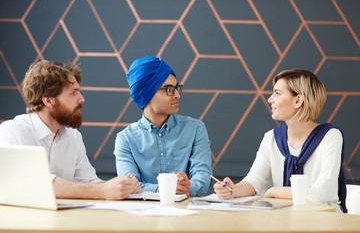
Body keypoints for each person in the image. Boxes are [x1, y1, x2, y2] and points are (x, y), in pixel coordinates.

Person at [0, 60, 142, 200]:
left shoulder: (73, 136)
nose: (82, 99)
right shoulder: (13, 131)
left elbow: (90, 182)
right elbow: (36, 183)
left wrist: (122, 187)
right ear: (48, 100)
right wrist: (103, 190)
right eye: (73, 93)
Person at [214, 69, 347, 212]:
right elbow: (255, 180)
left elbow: (324, 193)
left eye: (277, 93)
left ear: (298, 100)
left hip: (323, 221)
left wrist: (274, 191)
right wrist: (232, 189)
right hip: (282, 219)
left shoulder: (330, 136)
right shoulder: (271, 137)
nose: (270, 99)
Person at [114, 56, 212, 197]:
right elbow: (129, 185)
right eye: (169, 89)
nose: (177, 95)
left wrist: (188, 187)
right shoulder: (125, 139)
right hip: (143, 216)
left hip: (189, 215)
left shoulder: (196, 129)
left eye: (177, 88)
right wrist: (163, 189)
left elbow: (203, 176)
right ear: (147, 93)